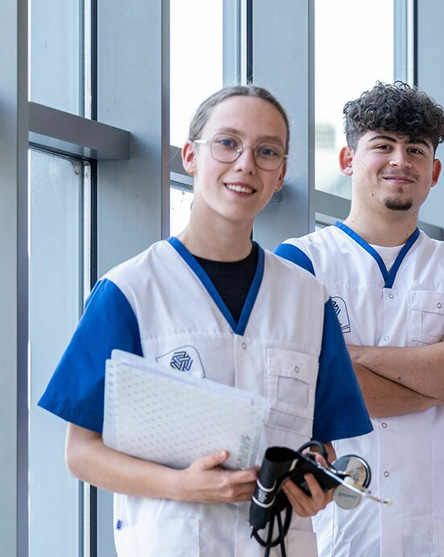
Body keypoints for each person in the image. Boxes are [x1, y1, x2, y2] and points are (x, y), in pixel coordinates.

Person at [37, 85, 372, 556]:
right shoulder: (130, 291)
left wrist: (315, 477)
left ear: (280, 178)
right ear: (190, 157)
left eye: (267, 152)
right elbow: (81, 453)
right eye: (227, 143)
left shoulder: (308, 299)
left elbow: (322, 441)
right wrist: (183, 486)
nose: (245, 164)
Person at [275, 81, 444, 557]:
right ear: (348, 161)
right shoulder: (299, 263)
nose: (400, 161)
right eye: (382, 145)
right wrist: (437, 371)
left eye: (416, 150)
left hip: (437, 525)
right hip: (335, 529)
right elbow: (306, 383)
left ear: (434, 171)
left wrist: (349, 357)